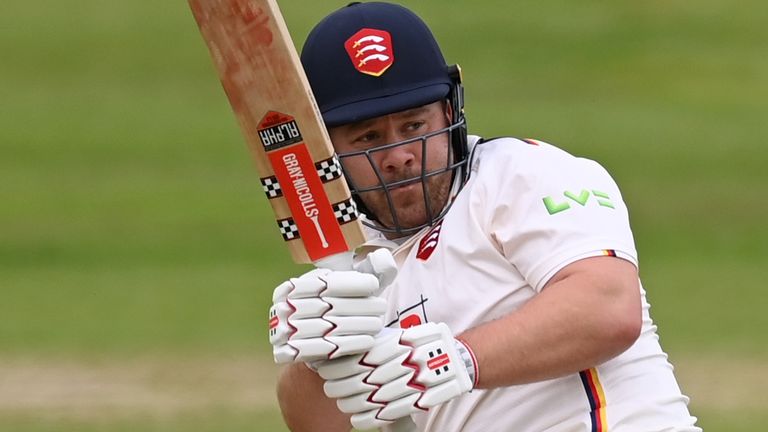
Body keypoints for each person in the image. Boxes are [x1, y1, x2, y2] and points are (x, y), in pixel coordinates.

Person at [268, 2, 702, 431]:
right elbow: (318, 424)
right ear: (326, 149)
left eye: (414, 126)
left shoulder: (524, 175)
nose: (398, 155)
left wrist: (456, 357)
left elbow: (608, 309)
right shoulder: (350, 262)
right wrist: (322, 354)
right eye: (369, 137)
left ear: (450, 111)